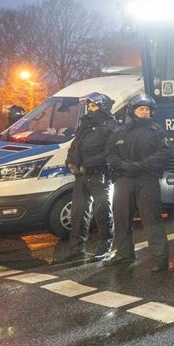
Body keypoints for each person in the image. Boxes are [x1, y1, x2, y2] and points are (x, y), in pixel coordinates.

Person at [105, 94, 171, 272]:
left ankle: (160, 259)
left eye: (147, 109)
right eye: (141, 109)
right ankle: (124, 254)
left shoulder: (156, 131)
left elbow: (163, 154)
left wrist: (140, 165)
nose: (144, 112)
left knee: (152, 220)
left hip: (146, 180)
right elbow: (110, 153)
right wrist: (122, 165)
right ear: (133, 111)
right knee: (122, 219)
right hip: (124, 180)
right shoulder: (120, 131)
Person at [62, 92, 118, 262]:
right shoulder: (85, 124)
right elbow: (75, 146)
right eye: (89, 106)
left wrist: (89, 164)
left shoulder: (111, 125)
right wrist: (70, 162)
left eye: (94, 106)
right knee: (78, 213)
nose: (90, 109)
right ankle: (76, 249)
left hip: (100, 174)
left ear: (102, 107)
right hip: (81, 175)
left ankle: (105, 246)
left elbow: (110, 152)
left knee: (102, 212)